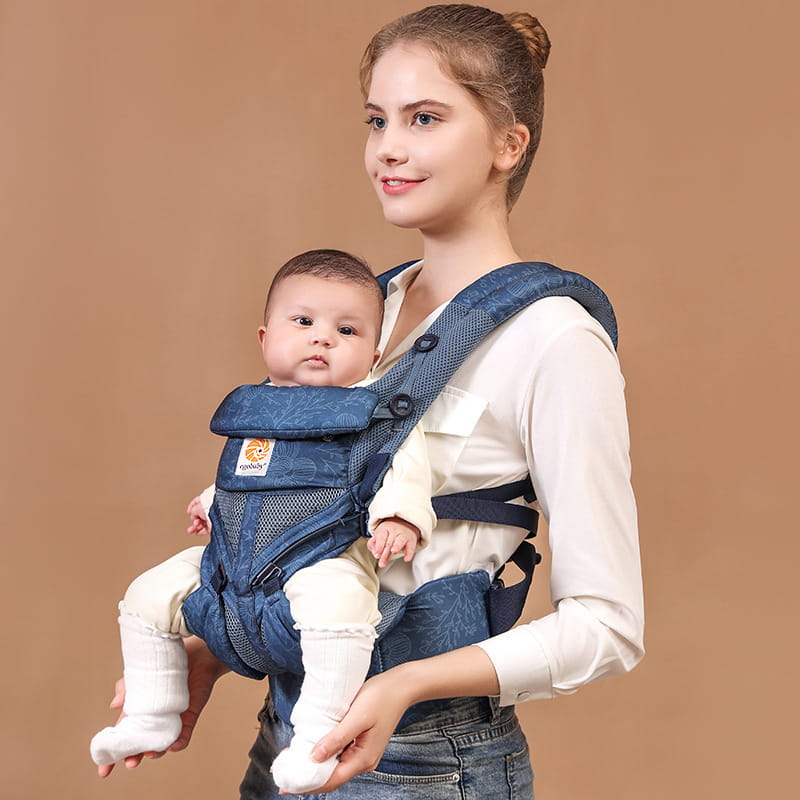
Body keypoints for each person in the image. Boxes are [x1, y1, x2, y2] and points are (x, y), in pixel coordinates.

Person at [97, 6, 645, 797]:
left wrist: (402, 686)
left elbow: (608, 627)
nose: (388, 146)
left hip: (428, 761)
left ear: (508, 144)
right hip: (287, 735)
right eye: (377, 119)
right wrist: (215, 652)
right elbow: (324, 529)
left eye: (425, 118)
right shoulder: (357, 313)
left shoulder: (555, 339)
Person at [90, 249, 436, 794]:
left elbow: (407, 473)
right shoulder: (257, 411)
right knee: (148, 593)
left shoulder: (374, 413)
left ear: (373, 355)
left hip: (320, 556)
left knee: (339, 606)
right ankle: (152, 710)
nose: (322, 339)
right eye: (303, 322)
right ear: (265, 337)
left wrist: (400, 518)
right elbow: (253, 477)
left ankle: (318, 736)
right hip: (234, 562)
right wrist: (212, 502)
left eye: (346, 330)